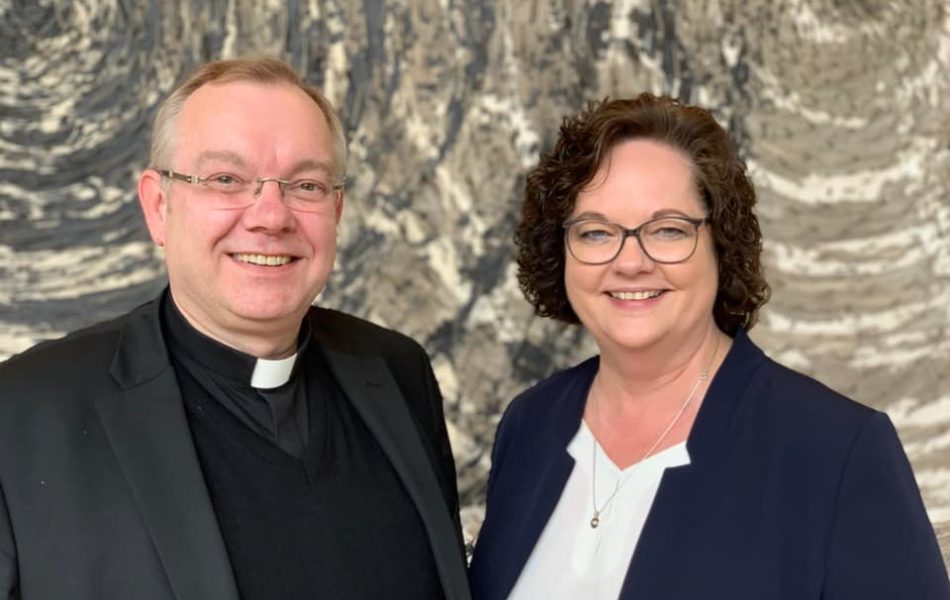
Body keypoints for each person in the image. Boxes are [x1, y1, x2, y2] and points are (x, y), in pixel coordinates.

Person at [0, 58, 471, 600]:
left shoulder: (397, 373)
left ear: (336, 209)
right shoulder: (23, 414)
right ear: (159, 206)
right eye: (226, 179)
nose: (271, 216)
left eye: (306, 184)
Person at [468, 94, 949, 599]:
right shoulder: (530, 426)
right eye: (595, 232)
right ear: (560, 250)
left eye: (668, 230)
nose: (630, 262)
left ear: (721, 243)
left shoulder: (836, 451)